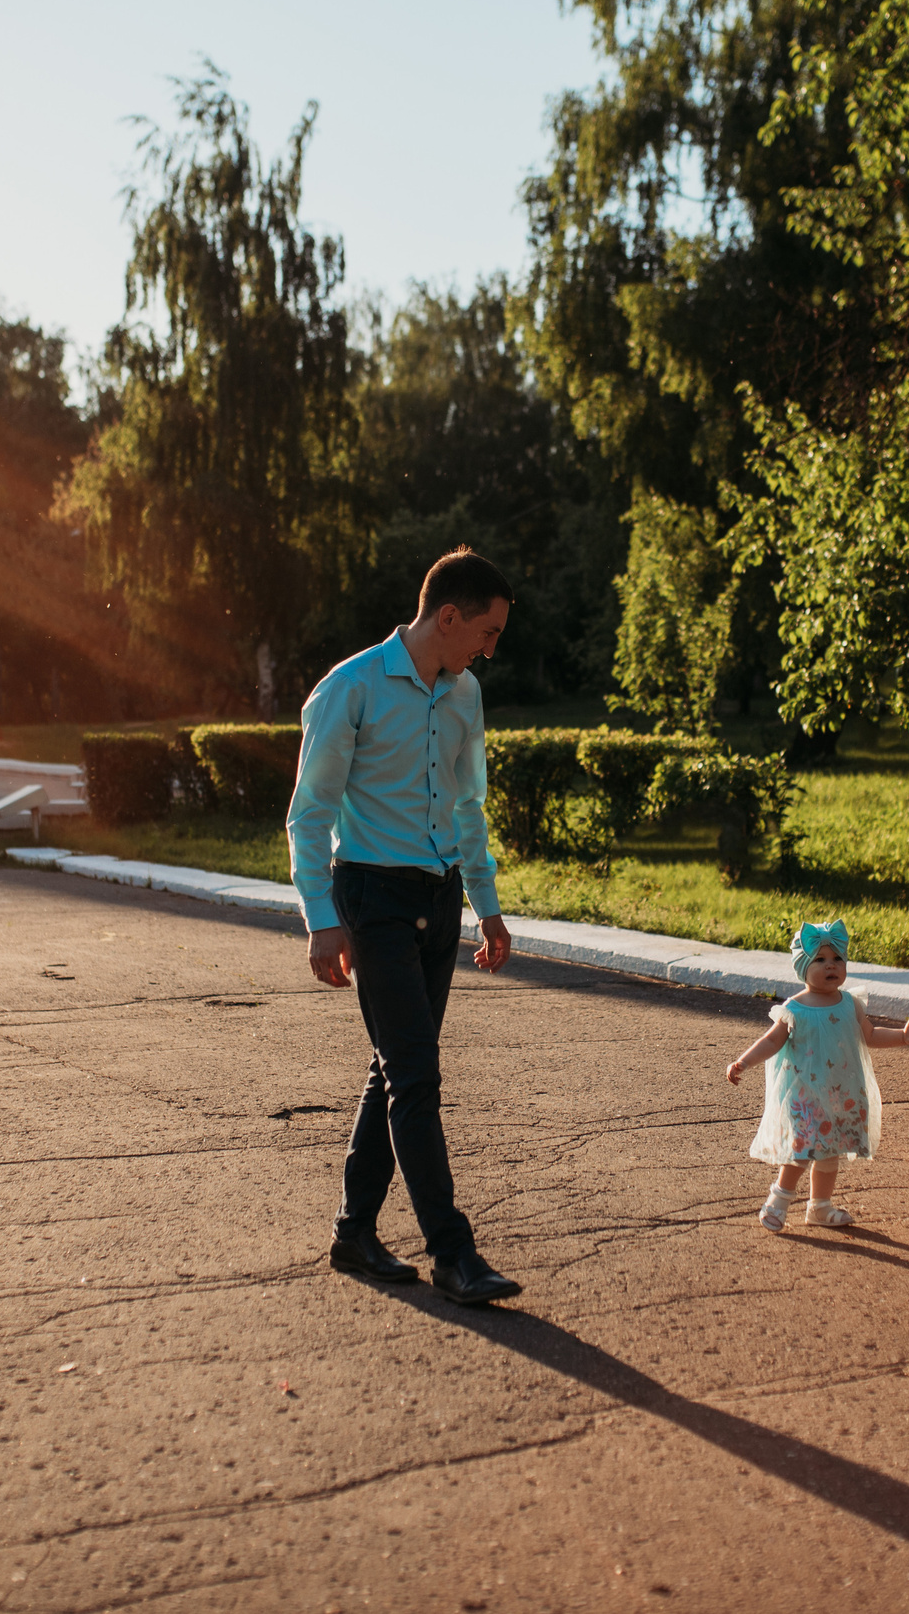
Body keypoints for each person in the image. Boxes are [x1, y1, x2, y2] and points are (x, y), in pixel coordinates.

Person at [288, 547, 523, 1306]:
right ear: (447, 616)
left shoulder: (464, 695)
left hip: (440, 897)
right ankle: (453, 1253)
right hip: (373, 899)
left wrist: (485, 905)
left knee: (396, 1068)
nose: (490, 649)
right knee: (416, 1075)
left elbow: (467, 808)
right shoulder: (348, 689)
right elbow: (310, 812)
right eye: (486, 632)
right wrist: (322, 919)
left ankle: (354, 1231)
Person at [725, 920, 909, 1230]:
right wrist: (743, 1062)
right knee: (803, 1150)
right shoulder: (795, 1008)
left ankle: (820, 1207)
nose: (831, 966)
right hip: (806, 1096)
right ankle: (778, 1200)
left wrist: (903, 1037)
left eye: (837, 959)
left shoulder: (850, 1003)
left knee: (830, 1153)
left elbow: (871, 1034)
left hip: (842, 1094)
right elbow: (772, 1040)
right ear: (803, 967)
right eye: (820, 960)